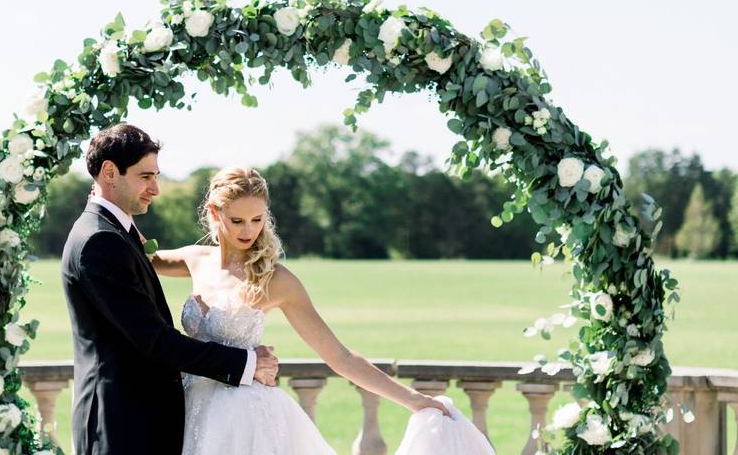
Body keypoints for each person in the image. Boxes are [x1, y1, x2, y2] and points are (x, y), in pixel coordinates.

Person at [151, 166, 496, 455]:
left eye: (257, 219)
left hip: (244, 418)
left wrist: (414, 400)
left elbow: (340, 357)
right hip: (187, 404)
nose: (249, 230)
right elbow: (133, 254)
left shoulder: (276, 280)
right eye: (238, 220)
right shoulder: (195, 260)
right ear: (215, 213)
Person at [60, 126, 279, 455]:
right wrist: (246, 362)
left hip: (137, 420)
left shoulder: (115, 230)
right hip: (120, 425)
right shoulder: (99, 240)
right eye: (145, 177)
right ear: (109, 172)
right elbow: (154, 340)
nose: (156, 189)